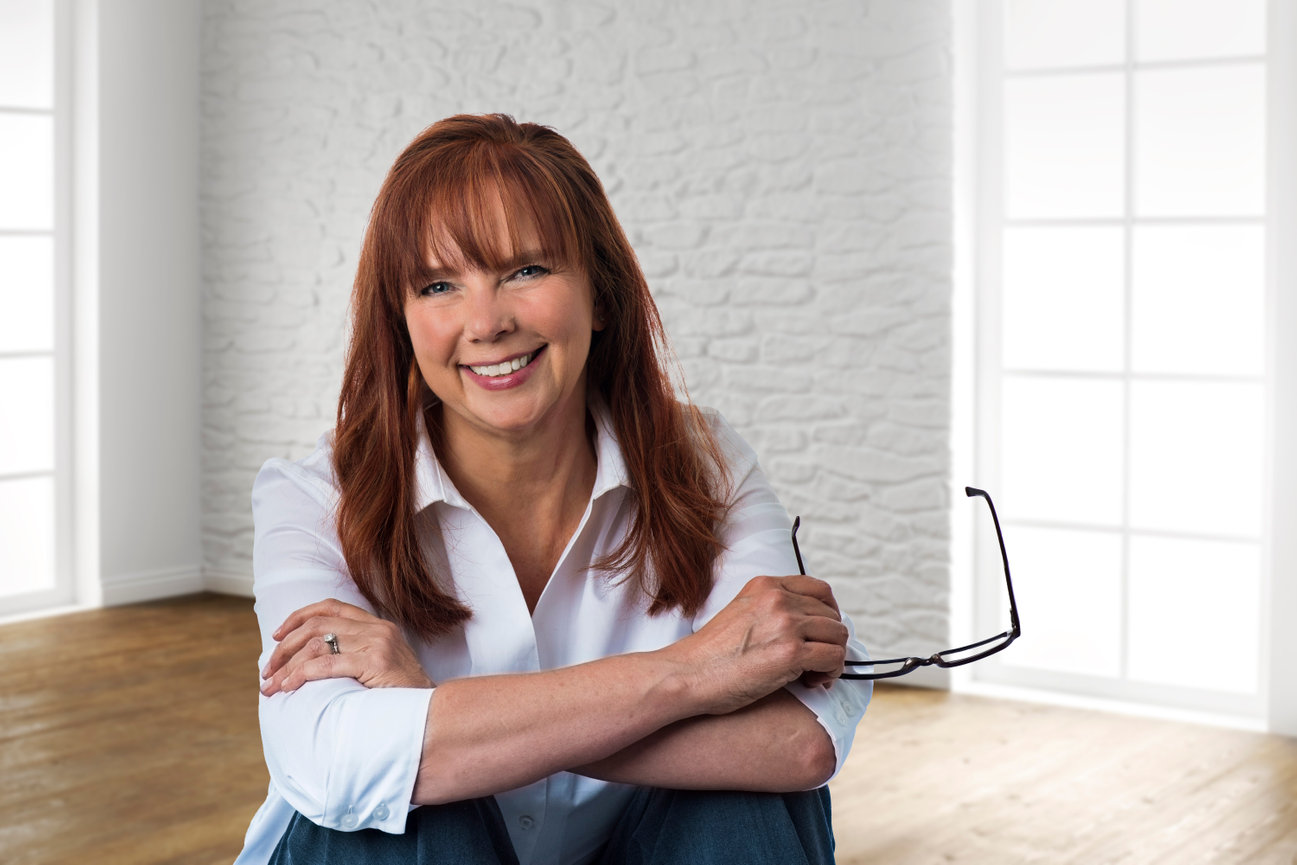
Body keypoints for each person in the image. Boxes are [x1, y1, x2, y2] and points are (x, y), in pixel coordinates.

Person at [234, 113, 872, 865]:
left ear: (600, 295)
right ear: (400, 321)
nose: (486, 321)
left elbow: (796, 741)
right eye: (438, 285)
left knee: (738, 803)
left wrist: (431, 714)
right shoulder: (314, 496)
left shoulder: (705, 463)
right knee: (393, 810)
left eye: (526, 270)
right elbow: (330, 763)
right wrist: (695, 673)